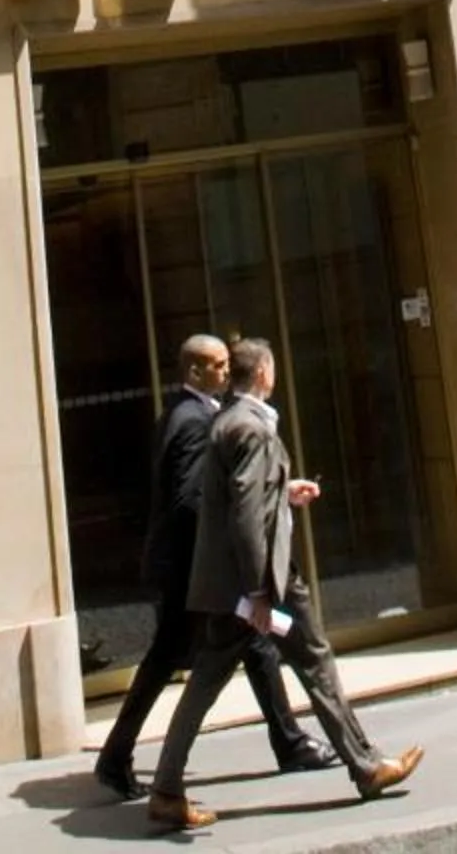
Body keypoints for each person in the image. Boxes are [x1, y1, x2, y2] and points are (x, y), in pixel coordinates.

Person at [147, 337, 423, 833]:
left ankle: (166, 789)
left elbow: (241, 498)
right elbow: (245, 514)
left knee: (209, 679)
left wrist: (284, 492)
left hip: (234, 584)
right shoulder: (250, 428)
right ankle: (366, 766)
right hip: (264, 583)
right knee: (314, 659)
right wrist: (258, 593)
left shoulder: (230, 421)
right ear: (264, 374)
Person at [95, 334, 332, 802]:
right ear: (195, 371)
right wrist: (223, 554)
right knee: (184, 656)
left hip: (184, 567)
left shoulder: (185, 414)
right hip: (190, 570)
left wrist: (278, 493)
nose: (227, 372)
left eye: (227, 364)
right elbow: (191, 501)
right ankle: (120, 758)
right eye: (219, 365)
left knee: (249, 646)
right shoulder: (194, 421)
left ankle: (287, 740)